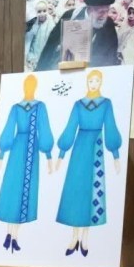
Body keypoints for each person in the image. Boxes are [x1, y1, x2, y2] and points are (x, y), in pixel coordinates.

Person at [54, 70, 122, 257]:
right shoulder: (78, 104)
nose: (93, 84)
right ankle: (74, 236)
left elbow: (111, 127)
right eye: (91, 80)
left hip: (95, 150)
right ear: (87, 82)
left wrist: (115, 155)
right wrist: (61, 153)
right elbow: (70, 128)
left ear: (101, 82)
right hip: (79, 150)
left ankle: (85, 237)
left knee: (90, 191)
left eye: (97, 80)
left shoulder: (106, 104)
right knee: (75, 191)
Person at [0, 74, 54, 253]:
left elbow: (44, 130)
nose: (29, 88)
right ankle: (9, 235)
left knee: (23, 192)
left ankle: (14, 236)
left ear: (35, 87)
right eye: (27, 85)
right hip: (18, 150)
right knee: (12, 190)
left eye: (32, 85)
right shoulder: (16, 108)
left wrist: (48, 155)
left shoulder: (40, 107)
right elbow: (8, 130)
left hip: (31, 152)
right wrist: (1, 154)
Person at [35, 0, 120, 72]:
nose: (104, 16)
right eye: (101, 12)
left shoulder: (109, 24)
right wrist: (40, 71)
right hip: (66, 68)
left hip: (94, 72)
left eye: (107, 11)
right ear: (89, 8)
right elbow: (51, 45)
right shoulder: (70, 16)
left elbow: (111, 55)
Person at [25, 1, 56, 71]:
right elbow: (29, 44)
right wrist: (30, 57)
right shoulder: (32, 26)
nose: (42, 14)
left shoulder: (51, 23)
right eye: (39, 12)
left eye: (44, 11)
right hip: (33, 57)